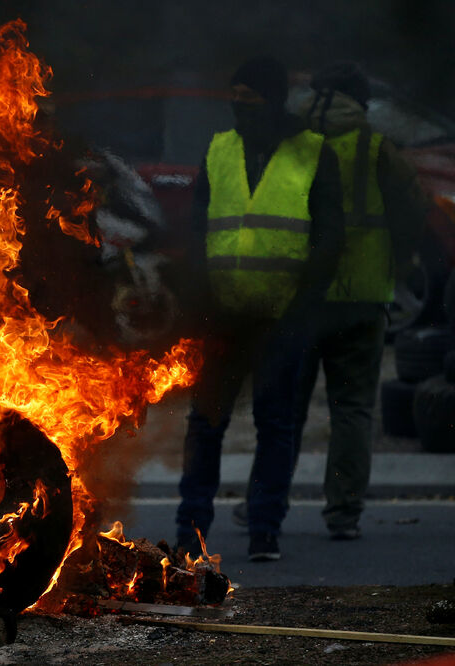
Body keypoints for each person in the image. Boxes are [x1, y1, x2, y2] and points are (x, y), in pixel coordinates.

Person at [174, 56, 344, 562]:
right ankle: (190, 531)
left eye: (250, 102)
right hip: (223, 317)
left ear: (273, 102)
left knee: (275, 424)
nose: (239, 113)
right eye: (235, 102)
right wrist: (199, 302)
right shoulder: (220, 149)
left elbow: (329, 240)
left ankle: (264, 529)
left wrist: (302, 311)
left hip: (281, 317)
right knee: (205, 424)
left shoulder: (313, 153)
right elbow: (196, 230)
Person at [288, 62, 427, 539]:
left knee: (286, 407)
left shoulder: (293, 145)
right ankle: (343, 514)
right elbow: (413, 213)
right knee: (351, 409)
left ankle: (265, 511)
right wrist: (400, 264)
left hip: (301, 298)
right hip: (362, 298)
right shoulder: (375, 148)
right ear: (361, 103)